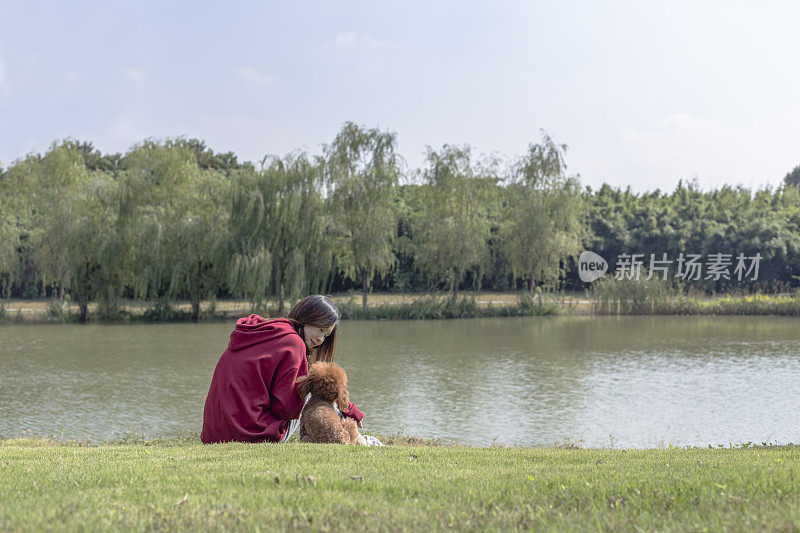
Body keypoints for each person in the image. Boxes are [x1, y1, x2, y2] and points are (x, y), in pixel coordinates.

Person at [200, 294, 365, 444]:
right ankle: (357, 439)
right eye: (321, 329)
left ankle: (356, 437)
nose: (321, 339)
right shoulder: (294, 343)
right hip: (252, 435)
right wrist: (347, 408)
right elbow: (286, 410)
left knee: (309, 384)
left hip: (214, 436)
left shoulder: (267, 331)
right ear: (308, 317)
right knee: (312, 391)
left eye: (326, 335)